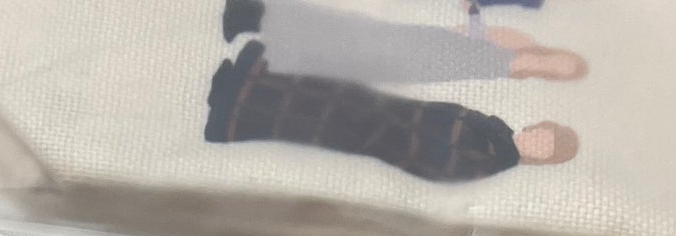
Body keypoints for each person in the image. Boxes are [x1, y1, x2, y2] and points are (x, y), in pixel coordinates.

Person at [207, 41, 579, 184]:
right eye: (540, 134)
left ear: (537, 159)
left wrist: (392, 139)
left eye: (541, 147)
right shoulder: (497, 130)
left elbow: (440, 167)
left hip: (384, 133)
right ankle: (244, 82)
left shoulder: (495, 157)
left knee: (307, 119)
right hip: (393, 113)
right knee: (329, 91)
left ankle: (231, 113)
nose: (533, 140)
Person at [221, 0, 588, 87]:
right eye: (560, 61)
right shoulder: (520, 43)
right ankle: (251, 15)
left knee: (344, 62)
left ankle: (261, 53)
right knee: (348, 34)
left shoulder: (517, 73)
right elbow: (471, 28)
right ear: (555, 54)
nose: (553, 66)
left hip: (424, 70)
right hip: (426, 47)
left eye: (559, 72)